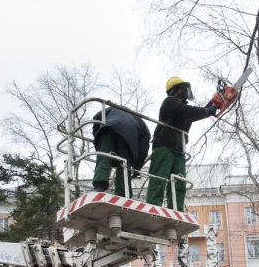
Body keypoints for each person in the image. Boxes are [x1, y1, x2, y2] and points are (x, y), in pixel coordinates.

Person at [146, 77, 218, 211]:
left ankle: (176, 210)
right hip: (164, 145)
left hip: (179, 149)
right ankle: (153, 207)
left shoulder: (183, 108)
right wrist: (209, 111)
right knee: (159, 178)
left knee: (179, 183)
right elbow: (189, 112)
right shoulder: (170, 103)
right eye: (184, 89)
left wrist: (214, 103)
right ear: (176, 89)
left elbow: (195, 112)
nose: (186, 92)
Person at [92, 107, 151, 197]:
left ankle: (99, 186)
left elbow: (96, 117)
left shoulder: (112, 109)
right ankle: (122, 192)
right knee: (124, 163)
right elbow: (143, 148)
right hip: (128, 136)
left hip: (107, 129)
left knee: (103, 157)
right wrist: (137, 167)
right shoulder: (140, 121)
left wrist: (97, 135)